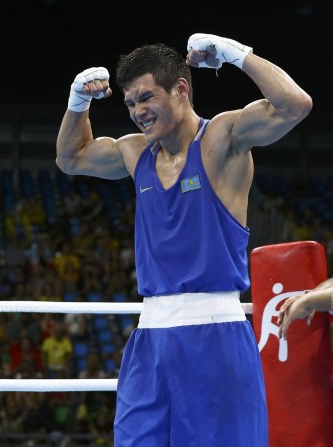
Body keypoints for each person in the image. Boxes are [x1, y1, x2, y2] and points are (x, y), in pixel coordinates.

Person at [56, 33, 312, 446]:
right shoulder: (135, 153)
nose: (138, 112)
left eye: (146, 97)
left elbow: (294, 105)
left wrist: (236, 54)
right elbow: (71, 158)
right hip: (150, 338)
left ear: (180, 88)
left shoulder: (222, 138)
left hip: (215, 334)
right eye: (130, 103)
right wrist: (77, 102)